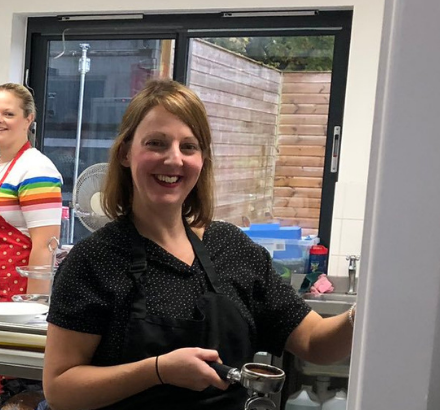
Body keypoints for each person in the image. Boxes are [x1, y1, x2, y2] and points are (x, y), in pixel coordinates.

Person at [42, 80, 354, 410]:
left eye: (188, 147)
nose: (174, 159)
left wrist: (362, 315)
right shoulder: (93, 261)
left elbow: (316, 344)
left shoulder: (233, 249)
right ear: (125, 153)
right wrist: (158, 371)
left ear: (202, 159)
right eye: (156, 143)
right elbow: (61, 390)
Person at [0, 83, 64, 306]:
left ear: (28, 119)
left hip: (15, 302)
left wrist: (34, 309)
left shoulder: (37, 169)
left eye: (8, 114)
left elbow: (45, 247)